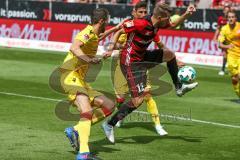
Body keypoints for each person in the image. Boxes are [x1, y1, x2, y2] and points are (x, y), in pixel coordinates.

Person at [102, 3, 198, 143]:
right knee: (138, 100)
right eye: (167, 18)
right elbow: (118, 32)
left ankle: (179, 87)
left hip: (142, 56)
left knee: (170, 54)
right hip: (130, 63)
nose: (169, 20)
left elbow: (172, 23)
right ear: (160, 17)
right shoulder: (139, 24)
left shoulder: (157, 23)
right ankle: (109, 124)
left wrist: (186, 14)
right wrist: (110, 49)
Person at [59, 8, 123, 160]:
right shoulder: (86, 32)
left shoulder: (94, 35)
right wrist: (89, 60)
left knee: (109, 105)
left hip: (79, 79)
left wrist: (115, 28)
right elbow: (74, 47)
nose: (108, 23)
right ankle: (83, 154)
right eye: (107, 21)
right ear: (101, 21)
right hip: (70, 75)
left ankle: (75, 130)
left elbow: (99, 36)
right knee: (86, 110)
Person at [110, 1, 168, 136]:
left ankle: (158, 125)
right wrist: (117, 47)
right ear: (133, 13)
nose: (143, 15)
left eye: (144, 12)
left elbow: (159, 43)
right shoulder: (128, 25)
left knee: (146, 95)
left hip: (139, 64)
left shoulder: (149, 26)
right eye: (140, 12)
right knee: (120, 98)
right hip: (122, 63)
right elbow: (117, 42)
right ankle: (119, 118)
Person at [218, 11, 240, 99]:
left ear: (236, 18)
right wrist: (228, 46)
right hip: (232, 56)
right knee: (235, 79)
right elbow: (220, 45)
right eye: (229, 17)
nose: (231, 19)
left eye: (232, 17)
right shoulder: (224, 29)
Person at [213, 4, 231, 76]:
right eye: (225, 10)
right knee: (224, 54)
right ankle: (223, 69)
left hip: (230, 39)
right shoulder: (220, 19)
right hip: (223, 39)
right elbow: (218, 28)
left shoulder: (231, 19)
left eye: (228, 11)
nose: (226, 12)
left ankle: (230, 69)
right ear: (223, 11)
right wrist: (215, 37)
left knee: (230, 55)